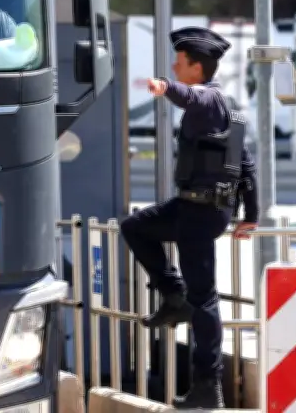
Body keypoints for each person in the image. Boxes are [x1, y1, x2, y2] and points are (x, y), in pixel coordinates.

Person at [120, 27, 260, 409]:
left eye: (180, 62)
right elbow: (246, 164)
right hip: (194, 208)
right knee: (135, 226)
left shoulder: (206, 98)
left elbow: (187, 95)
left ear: (196, 67)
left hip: (201, 212)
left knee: (205, 298)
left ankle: (207, 385)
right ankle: (171, 293)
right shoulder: (226, 106)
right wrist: (252, 213)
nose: (173, 66)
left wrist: (164, 86)